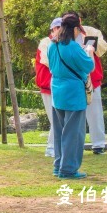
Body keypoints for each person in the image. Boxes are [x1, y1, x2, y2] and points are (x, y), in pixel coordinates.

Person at [47, 12, 95, 179]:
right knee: (73, 133)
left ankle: (58, 165)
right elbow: (89, 66)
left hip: (57, 92)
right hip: (73, 94)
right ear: (75, 29)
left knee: (60, 132)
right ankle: (68, 169)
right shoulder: (74, 47)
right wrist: (89, 51)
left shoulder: (52, 45)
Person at [35, 18, 63, 158]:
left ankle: (55, 147)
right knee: (55, 119)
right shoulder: (46, 42)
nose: (58, 30)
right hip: (48, 86)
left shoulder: (63, 43)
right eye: (56, 28)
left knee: (58, 119)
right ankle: (52, 147)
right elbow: (48, 61)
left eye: (60, 27)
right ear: (52, 29)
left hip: (59, 86)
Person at [80, 23, 107, 154]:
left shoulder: (91, 31)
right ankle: (75, 144)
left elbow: (102, 48)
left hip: (92, 79)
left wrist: (90, 46)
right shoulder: (64, 34)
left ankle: (98, 144)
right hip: (74, 80)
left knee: (95, 113)